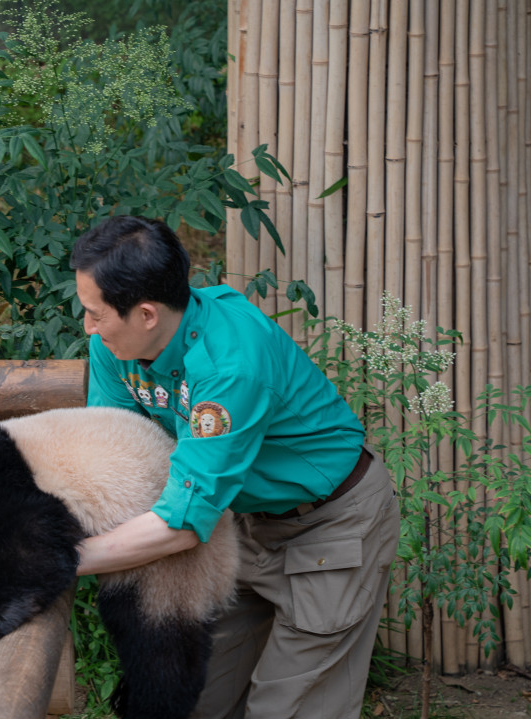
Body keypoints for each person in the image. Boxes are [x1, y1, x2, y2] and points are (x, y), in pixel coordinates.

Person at [68, 214, 400, 718]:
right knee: (195, 696)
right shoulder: (113, 347)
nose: (87, 326)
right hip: (239, 520)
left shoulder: (230, 367)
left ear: (147, 313)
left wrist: (52, 562)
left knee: (287, 710)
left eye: (95, 314)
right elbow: (115, 457)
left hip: (330, 526)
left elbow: (180, 524)